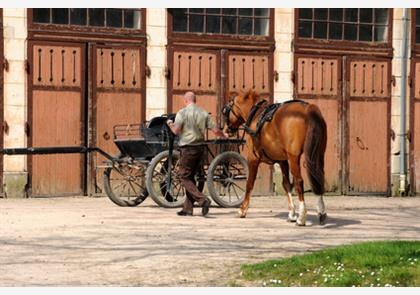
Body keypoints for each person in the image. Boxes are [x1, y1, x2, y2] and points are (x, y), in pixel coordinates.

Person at [166, 91, 228, 217]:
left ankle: (202, 199)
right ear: (195, 100)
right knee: (191, 177)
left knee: (184, 176)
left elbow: (176, 131)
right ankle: (188, 209)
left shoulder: (182, 113)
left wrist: (170, 124)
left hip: (187, 148)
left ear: (185, 100)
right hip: (200, 148)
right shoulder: (204, 113)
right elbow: (215, 131)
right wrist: (224, 135)